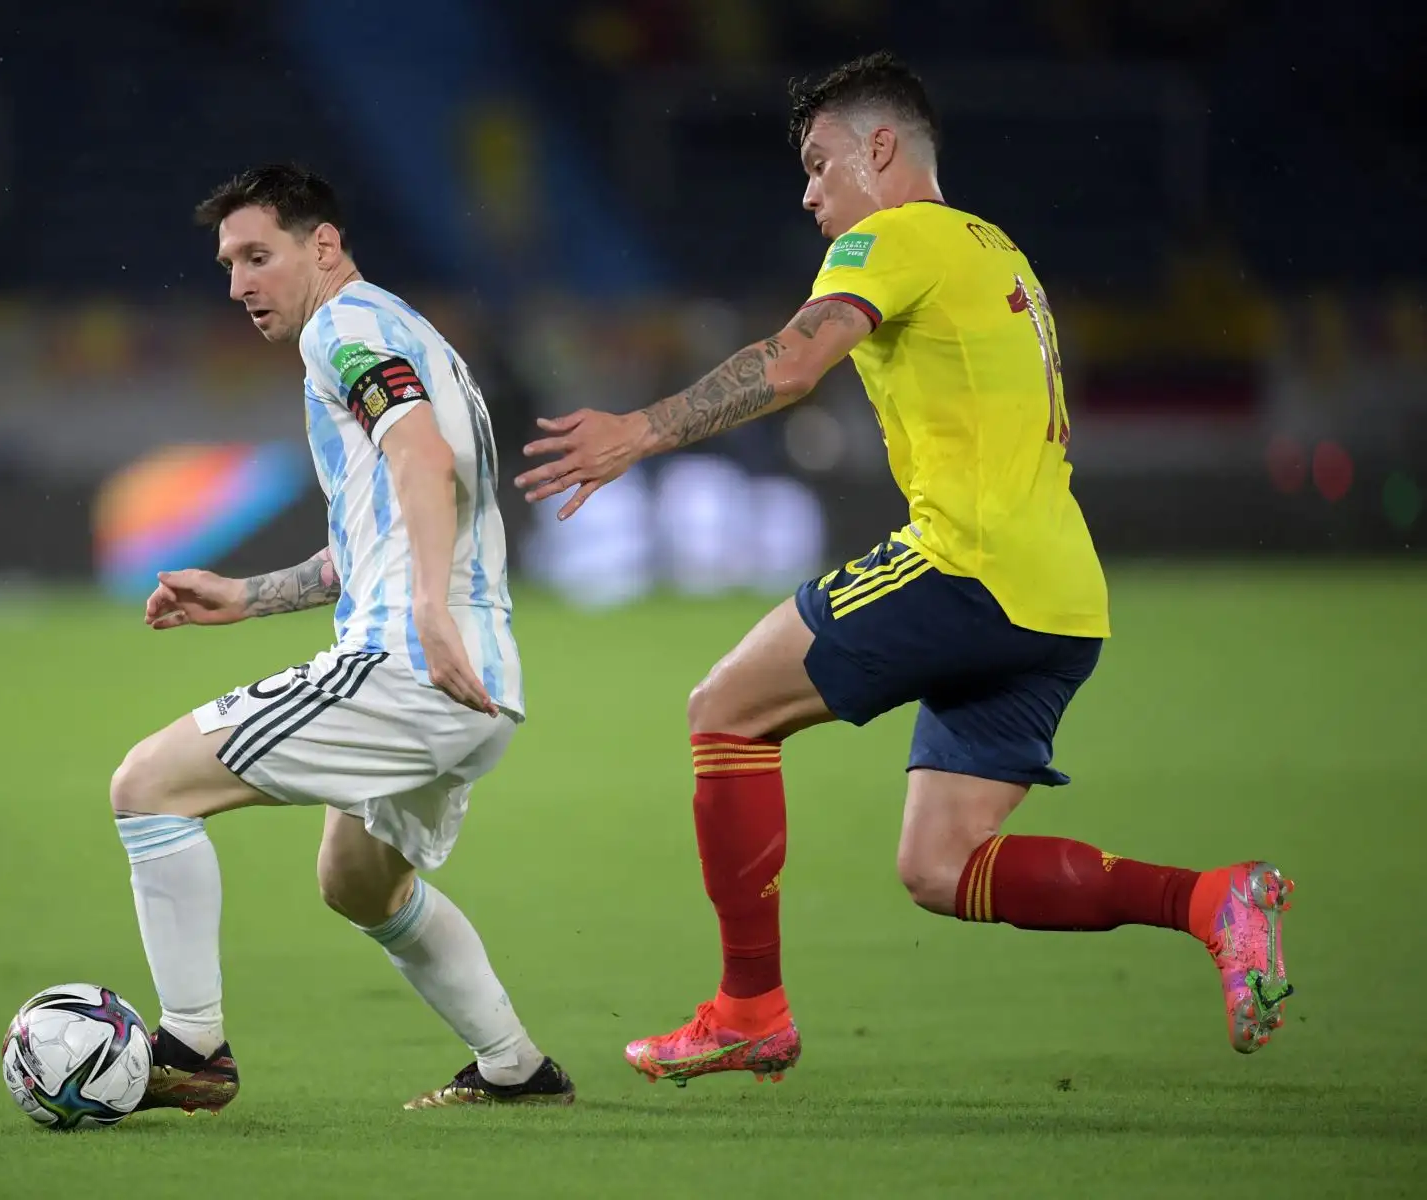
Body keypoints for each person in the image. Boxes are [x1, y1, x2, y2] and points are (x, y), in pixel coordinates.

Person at [513, 52, 1293, 1086]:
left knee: (725, 708)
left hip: (969, 568)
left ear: (881, 148)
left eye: (820, 161)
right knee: (940, 867)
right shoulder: (995, 247)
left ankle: (748, 1010)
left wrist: (637, 432)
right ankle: (1212, 902)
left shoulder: (897, 236)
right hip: (1059, 597)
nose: (808, 191)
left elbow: (792, 363)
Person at [112, 163, 574, 1112]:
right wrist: (244, 597)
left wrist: (428, 617)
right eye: (227, 264)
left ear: (322, 247)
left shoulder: (343, 328)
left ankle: (193, 1048)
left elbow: (420, 456)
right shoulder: (408, 332)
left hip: (410, 664)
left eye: (257, 256)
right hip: (480, 680)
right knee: (358, 881)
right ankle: (516, 1070)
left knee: (147, 787)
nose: (239, 284)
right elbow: (381, 534)